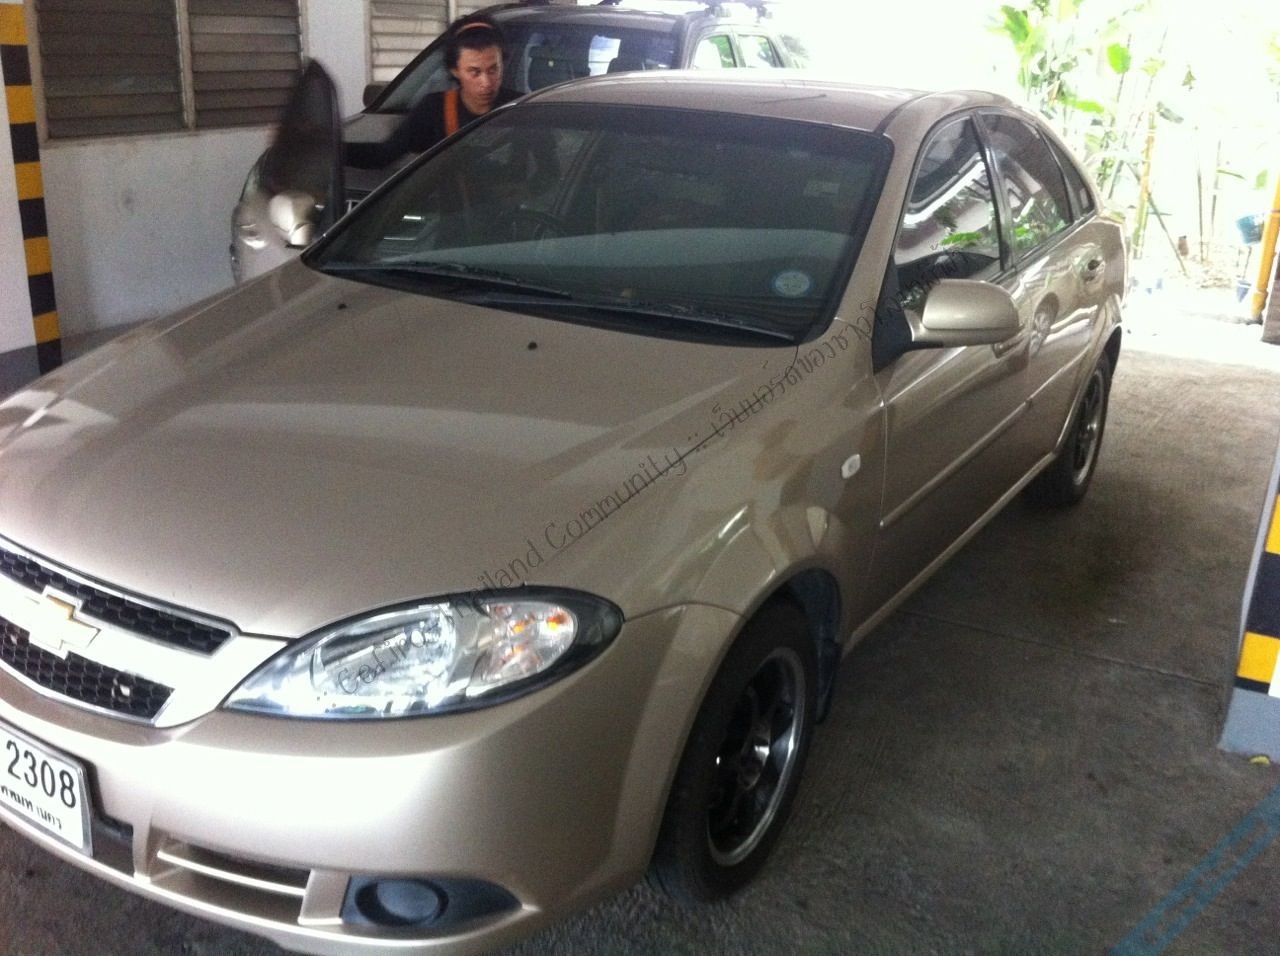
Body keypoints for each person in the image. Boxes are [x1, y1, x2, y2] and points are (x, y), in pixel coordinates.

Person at [348, 15, 521, 169]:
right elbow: (382, 155)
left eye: (493, 70)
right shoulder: (435, 111)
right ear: (455, 70)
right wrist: (334, 149)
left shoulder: (522, 108)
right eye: (474, 72)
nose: (486, 82)